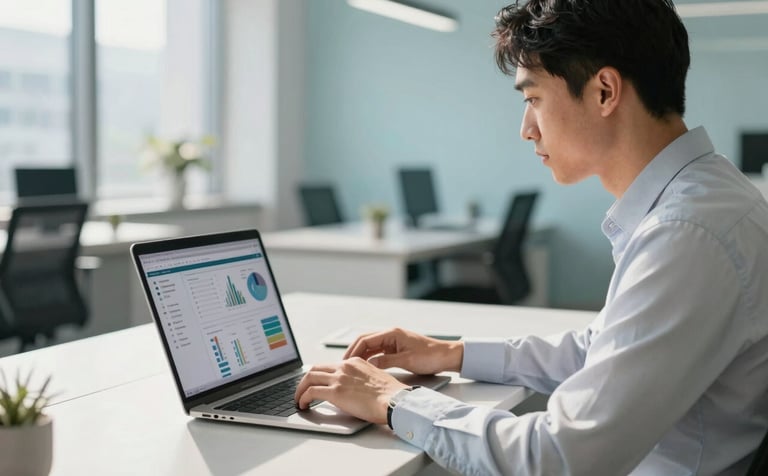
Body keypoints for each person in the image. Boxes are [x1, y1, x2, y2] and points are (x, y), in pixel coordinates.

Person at [294, 0, 768, 474]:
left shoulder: (689, 234)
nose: (526, 129)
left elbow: (557, 458)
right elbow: (601, 347)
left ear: (605, 91)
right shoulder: (701, 201)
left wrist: (395, 401)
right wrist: (453, 353)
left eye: (533, 98)